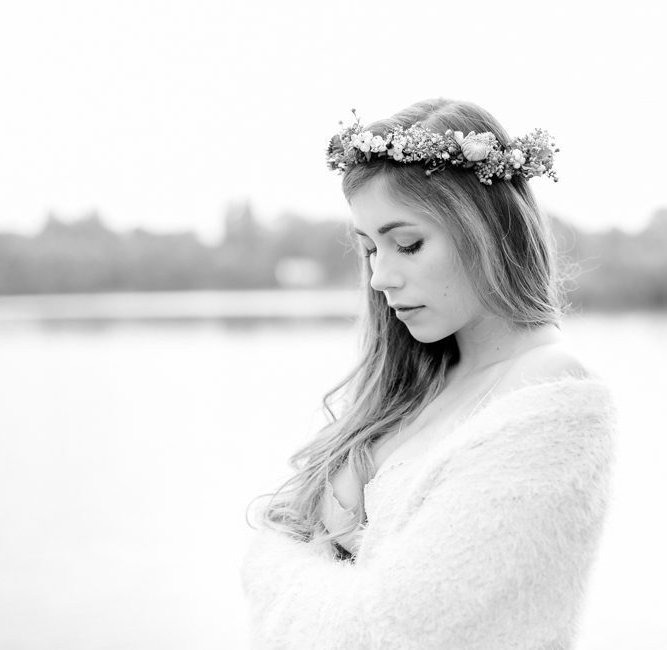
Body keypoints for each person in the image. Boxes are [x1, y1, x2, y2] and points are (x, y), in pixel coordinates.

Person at [240, 98, 616, 649]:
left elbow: (402, 632)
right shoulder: (421, 382)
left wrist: (269, 567)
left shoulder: (549, 390)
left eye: (407, 245)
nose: (380, 277)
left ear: (485, 229)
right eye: (369, 249)